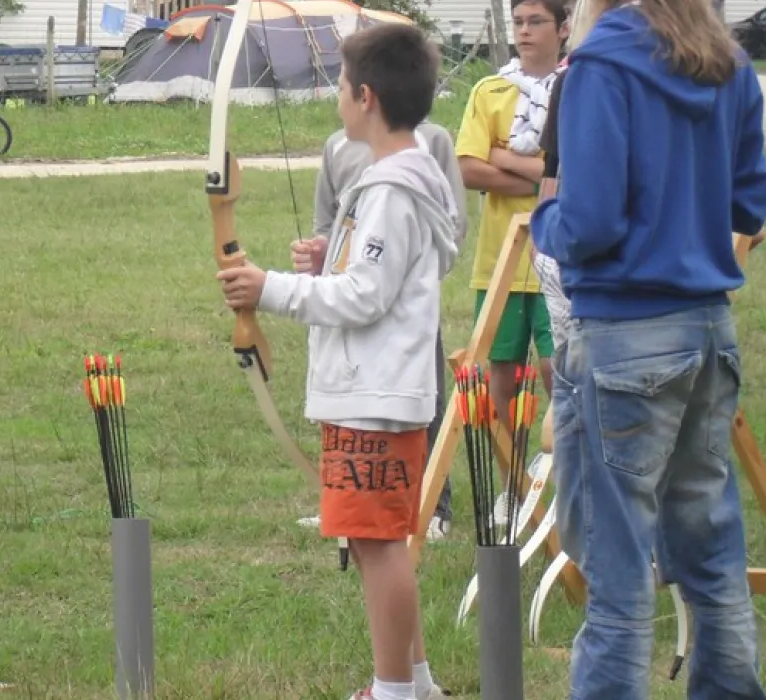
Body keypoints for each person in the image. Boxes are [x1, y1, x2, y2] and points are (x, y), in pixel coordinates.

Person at [529, 0, 766, 694]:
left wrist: (547, 221)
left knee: (618, 572)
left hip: (626, 334)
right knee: (712, 555)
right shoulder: (728, 60)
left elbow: (592, 219)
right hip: (706, 327)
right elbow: (749, 205)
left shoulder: (602, 61)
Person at [215, 23, 459, 700]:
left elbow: (366, 296)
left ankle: (394, 690)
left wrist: (272, 289)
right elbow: (392, 274)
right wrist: (334, 259)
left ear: (367, 98)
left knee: (376, 545)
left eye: (343, 89)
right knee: (375, 540)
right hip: (377, 391)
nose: (338, 101)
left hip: (374, 396)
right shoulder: (403, 177)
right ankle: (413, 681)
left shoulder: (392, 189)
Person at [299, 120, 469, 543]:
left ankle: (433, 505)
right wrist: (322, 252)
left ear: (366, 94)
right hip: (349, 300)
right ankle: (342, 500)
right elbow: (328, 226)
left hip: (400, 306)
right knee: (345, 404)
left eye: (344, 85)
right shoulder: (337, 145)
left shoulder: (432, 141)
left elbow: (451, 225)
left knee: (418, 402)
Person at [454, 0, 570, 528]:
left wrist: (506, 157)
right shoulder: (490, 91)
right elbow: (470, 169)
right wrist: (538, 177)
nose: (524, 32)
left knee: (556, 371)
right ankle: (514, 485)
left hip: (558, 255)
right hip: (500, 258)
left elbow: (572, 169)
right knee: (500, 377)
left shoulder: (576, 88)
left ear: (564, 28)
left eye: (536, 22)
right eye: (518, 23)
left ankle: (565, 482)